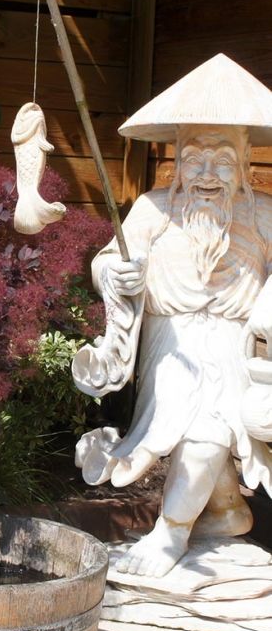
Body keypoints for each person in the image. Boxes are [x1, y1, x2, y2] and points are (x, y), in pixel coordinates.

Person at [72, 55, 272, 577]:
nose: (207, 173)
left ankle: (171, 533)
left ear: (247, 160)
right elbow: (107, 262)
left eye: (223, 159)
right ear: (176, 160)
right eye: (195, 158)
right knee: (185, 436)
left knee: (210, 431)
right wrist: (118, 276)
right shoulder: (154, 208)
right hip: (170, 343)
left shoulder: (265, 214)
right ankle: (226, 512)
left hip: (232, 345)